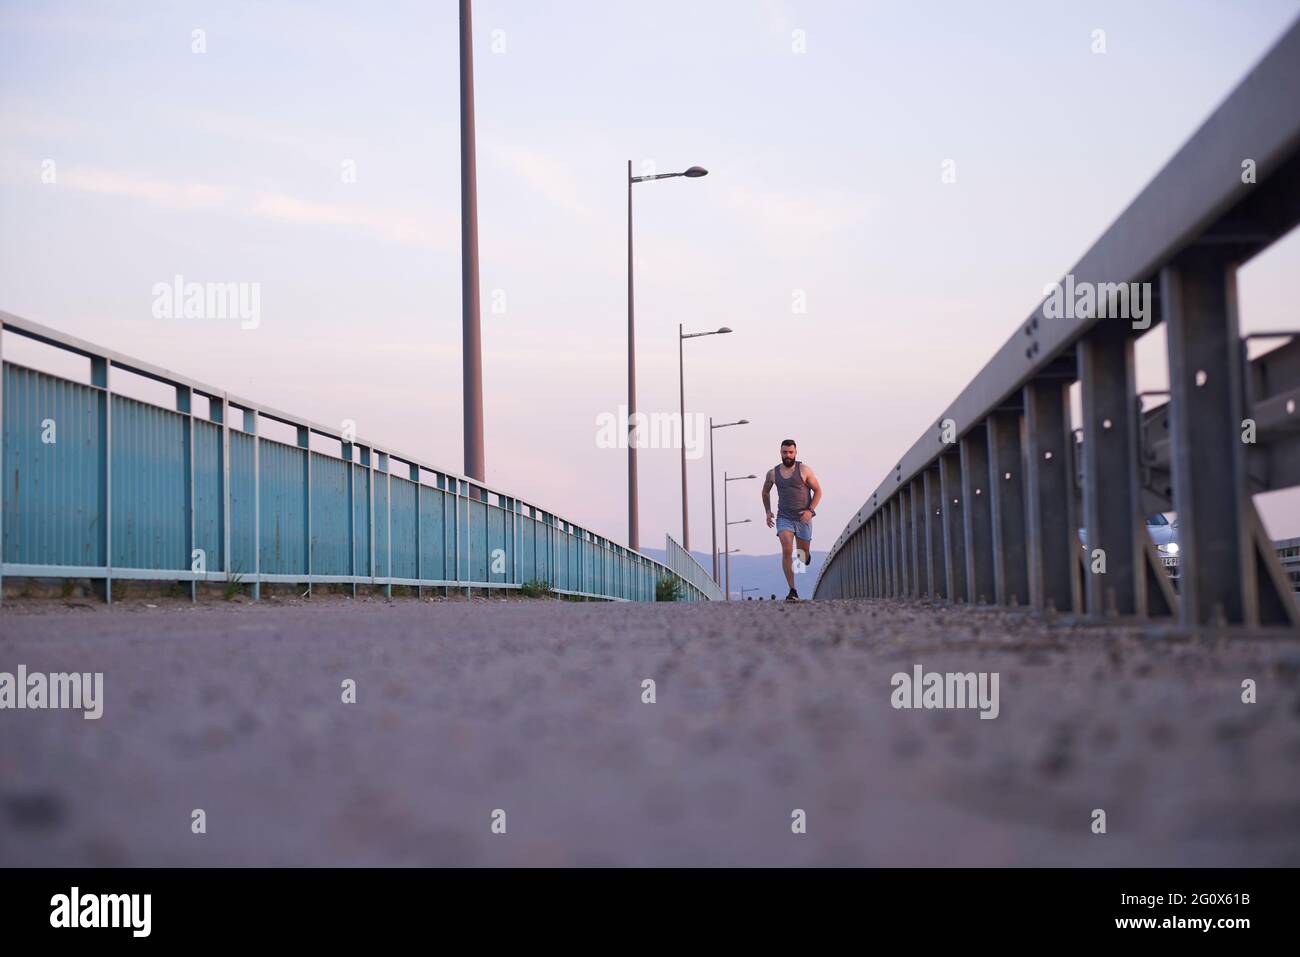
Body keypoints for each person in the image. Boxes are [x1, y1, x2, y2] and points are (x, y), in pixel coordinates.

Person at [761, 439, 823, 602]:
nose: (787, 455)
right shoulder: (773, 473)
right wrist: (768, 511)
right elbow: (765, 492)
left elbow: (817, 491)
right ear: (780, 453)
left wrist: (810, 511)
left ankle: (806, 556)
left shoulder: (804, 470)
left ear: (795, 453)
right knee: (787, 550)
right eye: (784, 452)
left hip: (803, 518)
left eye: (790, 452)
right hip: (784, 518)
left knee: (802, 556)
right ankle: (792, 590)